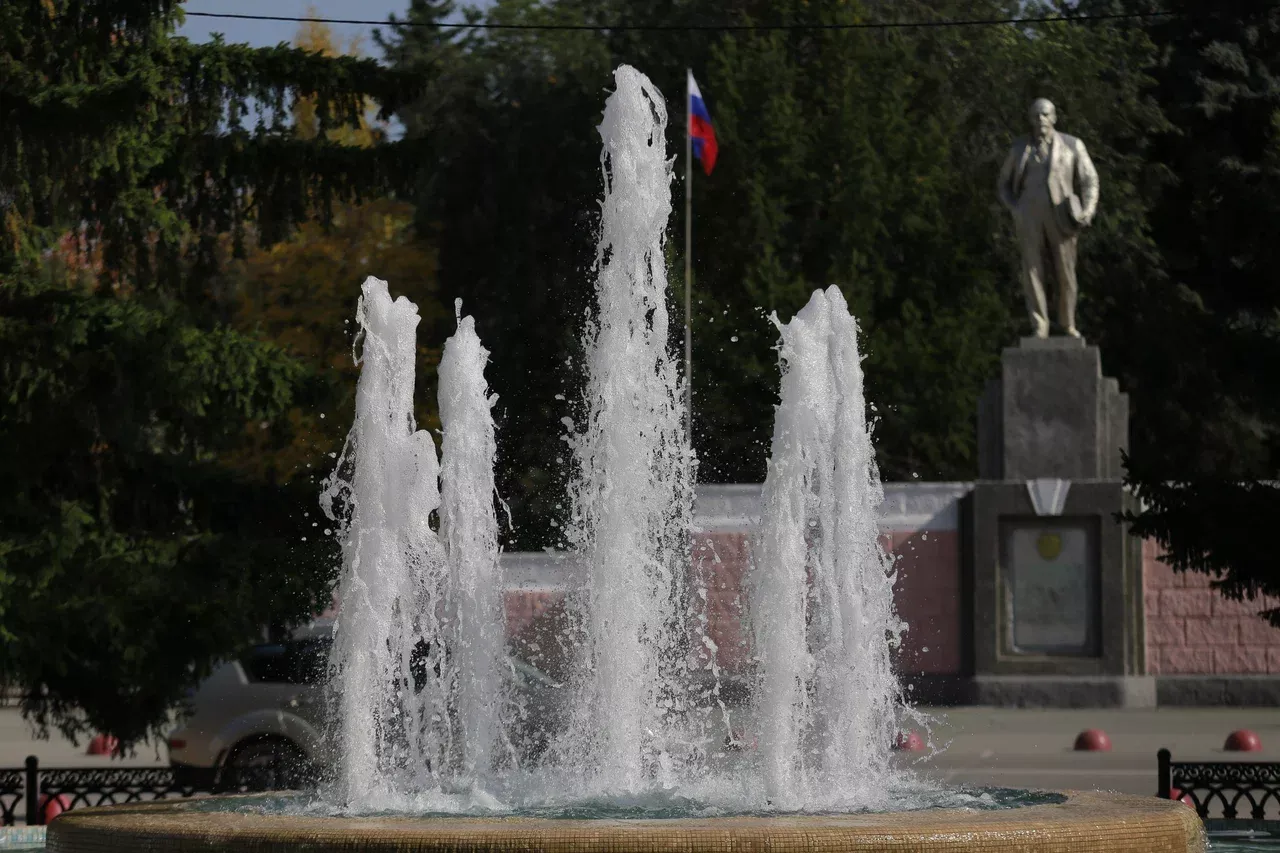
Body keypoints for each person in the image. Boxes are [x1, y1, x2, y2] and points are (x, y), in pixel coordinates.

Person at [997, 98, 1099, 339]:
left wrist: (1088, 210)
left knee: (1066, 271)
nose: (1040, 119)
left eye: (1045, 114)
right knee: (1032, 270)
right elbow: (1003, 184)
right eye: (1036, 115)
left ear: (1054, 117)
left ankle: (1068, 323)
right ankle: (1039, 326)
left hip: (1061, 214)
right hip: (1028, 213)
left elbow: (1089, 180)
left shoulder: (1072, 145)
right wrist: (1015, 208)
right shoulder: (1019, 148)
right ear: (1030, 120)